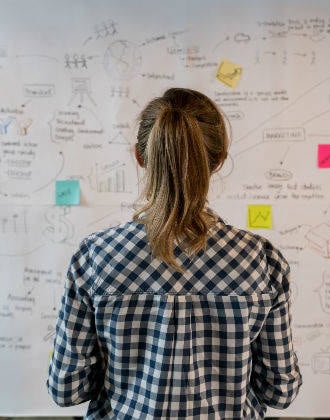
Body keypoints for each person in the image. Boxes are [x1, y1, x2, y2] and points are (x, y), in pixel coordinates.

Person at [47, 87, 302, 419]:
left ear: (139, 156)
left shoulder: (95, 256)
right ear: (219, 159)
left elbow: (67, 389)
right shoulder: (261, 260)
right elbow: (280, 391)